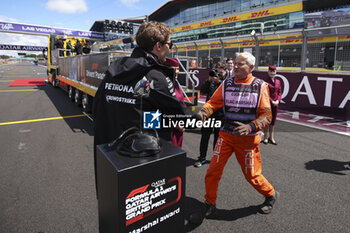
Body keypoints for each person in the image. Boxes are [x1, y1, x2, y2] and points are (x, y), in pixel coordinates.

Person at [93, 21, 200, 197]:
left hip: (109, 157)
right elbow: (180, 116)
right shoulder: (154, 76)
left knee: (114, 209)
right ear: (158, 46)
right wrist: (202, 117)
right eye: (169, 44)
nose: (170, 49)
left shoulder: (115, 69)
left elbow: (100, 107)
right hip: (142, 157)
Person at [191, 52, 279, 223]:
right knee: (212, 171)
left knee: (252, 175)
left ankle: (271, 194)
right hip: (226, 135)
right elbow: (213, 103)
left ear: (251, 67)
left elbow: (267, 115)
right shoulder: (227, 83)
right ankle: (209, 203)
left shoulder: (260, 86)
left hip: (248, 139)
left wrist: (251, 126)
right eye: (235, 63)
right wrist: (203, 113)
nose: (236, 66)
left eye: (241, 64)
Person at [194, 62, 226, 167]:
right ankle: (202, 157)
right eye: (217, 71)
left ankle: (215, 158)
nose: (218, 74)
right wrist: (209, 80)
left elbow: (228, 93)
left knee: (218, 137)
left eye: (221, 72)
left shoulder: (227, 82)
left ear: (225, 72)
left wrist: (219, 82)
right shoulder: (211, 81)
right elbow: (202, 91)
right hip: (208, 113)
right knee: (205, 136)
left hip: (220, 114)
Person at [163, 57, 186, 148]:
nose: (176, 71)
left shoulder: (175, 83)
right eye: (174, 69)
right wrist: (177, 125)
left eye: (178, 69)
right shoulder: (163, 84)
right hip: (169, 130)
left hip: (179, 128)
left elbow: (182, 104)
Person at [262, 65, 281, 145]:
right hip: (268, 103)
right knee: (267, 120)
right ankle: (265, 137)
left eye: (273, 71)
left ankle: (271, 137)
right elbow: (265, 93)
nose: (272, 73)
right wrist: (271, 101)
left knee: (273, 121)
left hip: (275, 104)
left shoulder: (278, 81)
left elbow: (279, 92)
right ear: (268, 72)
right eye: (270, 71)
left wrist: (278, 100)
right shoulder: (265, 81)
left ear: (276, 72)